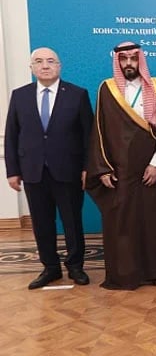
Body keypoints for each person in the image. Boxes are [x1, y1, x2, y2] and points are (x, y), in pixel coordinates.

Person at [86, 42, 156, 290]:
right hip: (121, 170)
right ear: (118, 62)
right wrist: (103, 168)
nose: (129, 63)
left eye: (134, 58)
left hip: (153, 168)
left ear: (140, 60)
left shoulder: (154, 85)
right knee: (125, 223)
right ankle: (127, 273)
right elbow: (99, 130)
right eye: (124, 59)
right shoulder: (107, 89)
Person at [4, 47, 93, 289]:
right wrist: (12, 170)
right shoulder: (20, 95)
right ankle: (50, 267)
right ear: (31, 67)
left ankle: (75, 266)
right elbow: (12, 135)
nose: (45, 66)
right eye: (39, 61)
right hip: (32, 170)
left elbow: (89, 136)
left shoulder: (77, 94)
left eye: (51, 61)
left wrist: (87, 168)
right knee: (42, 222)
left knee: (72, 221)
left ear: (59, 66)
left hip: (69, 170)